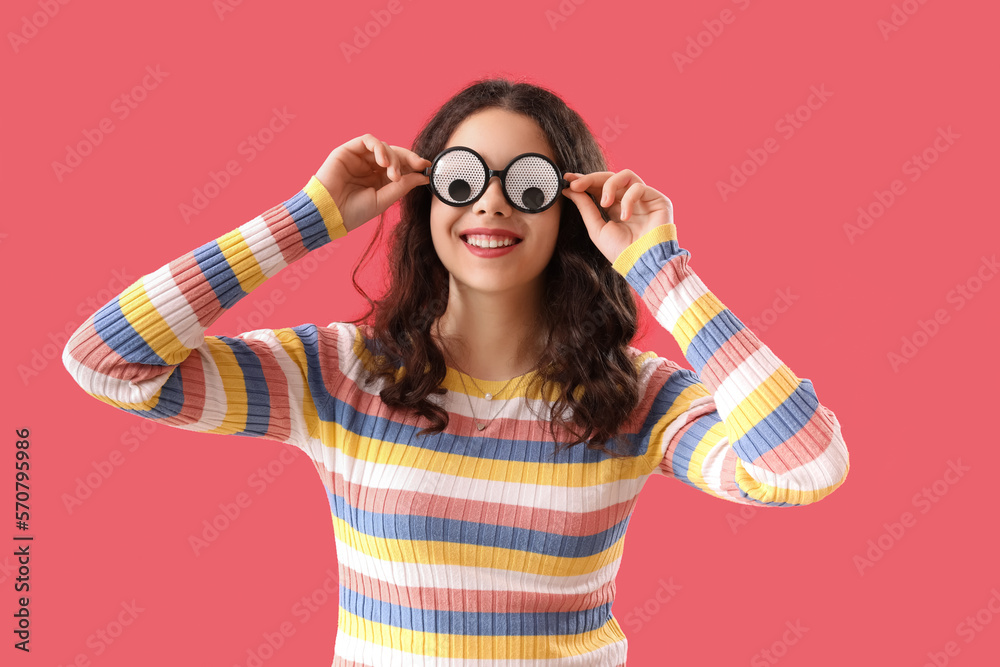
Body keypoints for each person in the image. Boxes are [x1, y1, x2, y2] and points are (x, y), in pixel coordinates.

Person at [62, 77, 850, 666]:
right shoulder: (342, 372)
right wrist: (310, 216)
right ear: (428, 196)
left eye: (529, 185)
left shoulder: (637, 396)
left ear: (570, 208)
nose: (492, 205)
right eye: (465, 179)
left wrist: (661, 270)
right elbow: (107, 361)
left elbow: (805, 466)